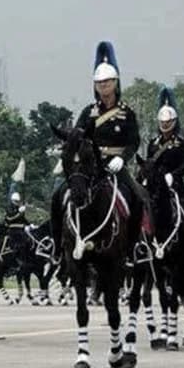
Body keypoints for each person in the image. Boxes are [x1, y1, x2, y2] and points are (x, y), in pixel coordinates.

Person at [51, 41, 146, 246]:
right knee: (57, 196)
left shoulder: (126, 112)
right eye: (99, 83)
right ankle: (57, 250)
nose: (103, 86)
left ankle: (131, 248)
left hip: (115, 167)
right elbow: (75, 137)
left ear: (115, 83)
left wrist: (122, 158)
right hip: (89, 167)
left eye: (107, 82)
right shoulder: (88, 112)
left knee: (138, 199)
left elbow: (134, 141)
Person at [145, 86, 184, 210]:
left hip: (175, 183)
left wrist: (173, 175)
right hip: (154, 183)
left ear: (174, 122)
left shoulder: (181, 143)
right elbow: (148, 164)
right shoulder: (153, 144)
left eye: (168, 122)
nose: (165, 125)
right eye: (162, 122)